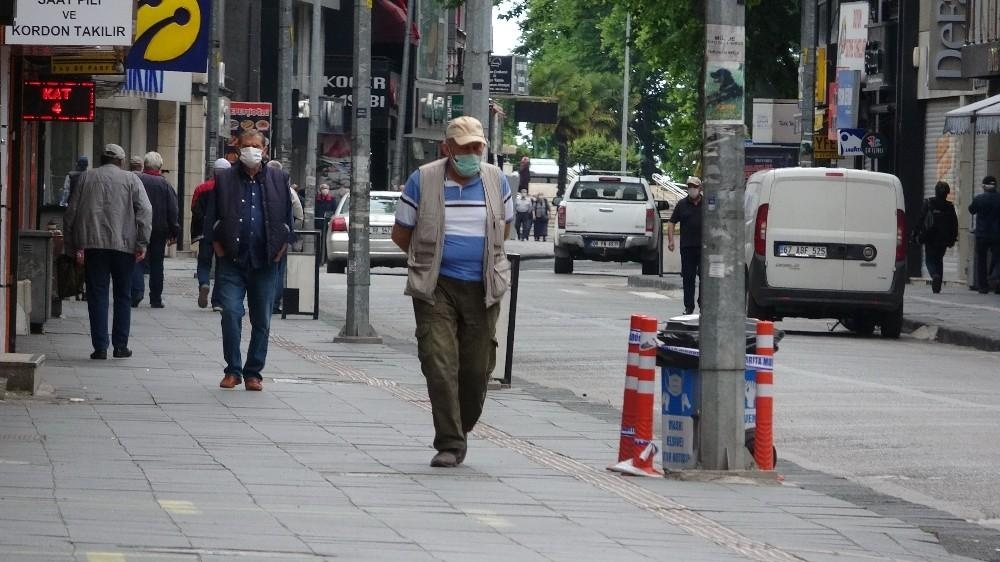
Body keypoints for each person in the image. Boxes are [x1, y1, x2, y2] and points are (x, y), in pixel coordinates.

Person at [391, 116, 514, 468]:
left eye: (478, 147)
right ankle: (449, 441)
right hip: (437, 287)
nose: (473, 153)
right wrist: (428, 261)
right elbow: (402, 234)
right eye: (465, 148)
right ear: (447, 148)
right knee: (439, 361)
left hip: (483, 286)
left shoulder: (496, 180)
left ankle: (460, 426)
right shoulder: (423, 180)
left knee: (477, 369)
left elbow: (502, 231)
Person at [204, 129, 295, 391]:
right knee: (231, 313)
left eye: (257, 146)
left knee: (262, 319)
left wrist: (281, 249)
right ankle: (232, 369)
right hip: (232, 261)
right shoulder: (224, 179)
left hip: (265, 261)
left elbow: (287, 220)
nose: (252, 150)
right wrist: (219, 250)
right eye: (246, 145)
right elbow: (211, 220)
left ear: (265, 150)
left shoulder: (279, 178)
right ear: (237, 148)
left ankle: (253, 372)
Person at [63, 144, 152, 360]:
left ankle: (100, 346)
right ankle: (120, 346)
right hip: (124, 246)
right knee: (123, 295)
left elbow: (71, 213)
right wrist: (142, 243)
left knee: (97, 294)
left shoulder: (85, 178)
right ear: (121, 162)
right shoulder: (131, 179)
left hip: (93, 246)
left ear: (101, 159)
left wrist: (72, 246)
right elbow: (145, 211)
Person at [130, 152, 179, 309]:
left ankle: (136, 293)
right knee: (157, 264)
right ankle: (156, 298)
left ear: (145, 165)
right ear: (160, 167)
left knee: (137, 259)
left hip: (137, 226)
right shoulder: (165, 185)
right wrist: (174, 232)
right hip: (159, 229)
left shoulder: (136, 180)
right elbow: (173, 210)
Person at [191, 158, 232, 310]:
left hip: (204, 232)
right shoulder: (231, 189)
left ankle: (204, 283)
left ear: (213, 171)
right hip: (223, 234)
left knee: (204, 262)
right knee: (222, 265)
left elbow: (194, 208)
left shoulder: (202, 188)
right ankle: (218, 302)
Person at [266, 159, 301, 313]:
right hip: (281, 237)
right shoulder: (289, 191)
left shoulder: (260, 186)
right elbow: (299, 216)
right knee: (279, 271)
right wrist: (290, 233)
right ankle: (273, 305)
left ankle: (265, 302)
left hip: (263, 237)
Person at [913, 181, 958, 293]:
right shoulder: (949, 206)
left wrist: (915, 233)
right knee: (939, 259)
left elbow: (921, 219)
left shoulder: (928, 203)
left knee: (930, 260)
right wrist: (953, 238)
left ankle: (934, 275)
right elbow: (954, 223)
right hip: (943, 238)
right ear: (947, 193)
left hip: (930, 236)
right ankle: (938, 283)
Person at [667, 176, 703, 315]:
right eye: (689, 187)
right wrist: (671, 240)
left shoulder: (707, 204)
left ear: (700, 188)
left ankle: (703, 303)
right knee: (688, 278)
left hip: (703, 248)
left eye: (694, 186)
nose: (691, 189)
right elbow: (671, 222)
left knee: (705, 277)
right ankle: (689, 306)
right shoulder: (682, 204)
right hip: (687, 247)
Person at [969, 175, 1000, 294]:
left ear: (984, 186)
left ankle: (983, 286)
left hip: (982, 234)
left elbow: (971, 210)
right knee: (998, 258)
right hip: (997, 234)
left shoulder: (979, 199)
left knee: (981, 260)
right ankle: (997, 279)